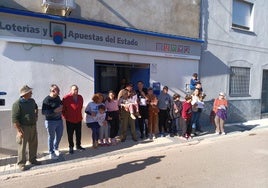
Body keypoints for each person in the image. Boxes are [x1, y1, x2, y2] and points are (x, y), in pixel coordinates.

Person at [12, 85, 41, 171]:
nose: (31, 93)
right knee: (22, 146)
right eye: (30, 92)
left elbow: (36, 108)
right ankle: (21, 163)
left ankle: (32, 159)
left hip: (33, 126)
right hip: (23, 128)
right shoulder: (17, 104)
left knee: (33, 144)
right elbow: (14, 119)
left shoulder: (32, 101)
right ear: (24, 94)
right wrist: (19, 131)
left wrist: (36, 115)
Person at [42, 84, 63, 160]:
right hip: (50, 121)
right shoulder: (46, 100)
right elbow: (44, 112)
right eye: (58, 90)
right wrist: (54, 111)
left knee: (59, 135)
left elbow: (60, 104)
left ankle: (56, 148)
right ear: (53, 91)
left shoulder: (58, 98)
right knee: (51, 137)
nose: (59, 91)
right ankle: (51, 152)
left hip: (59, 120)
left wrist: (61, 106)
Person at [62, 85, 85, 154]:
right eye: (74, 89)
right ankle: (71, 147)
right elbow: (63, 109)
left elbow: (80, 107)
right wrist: (65, 117)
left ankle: (78, 145)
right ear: (71, 90)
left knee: (78, 133)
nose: (76, 91)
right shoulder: (66, 98)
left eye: (77, 89)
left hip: (78, 118)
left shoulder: (80, 97)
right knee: (70, 134)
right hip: (69, 119)